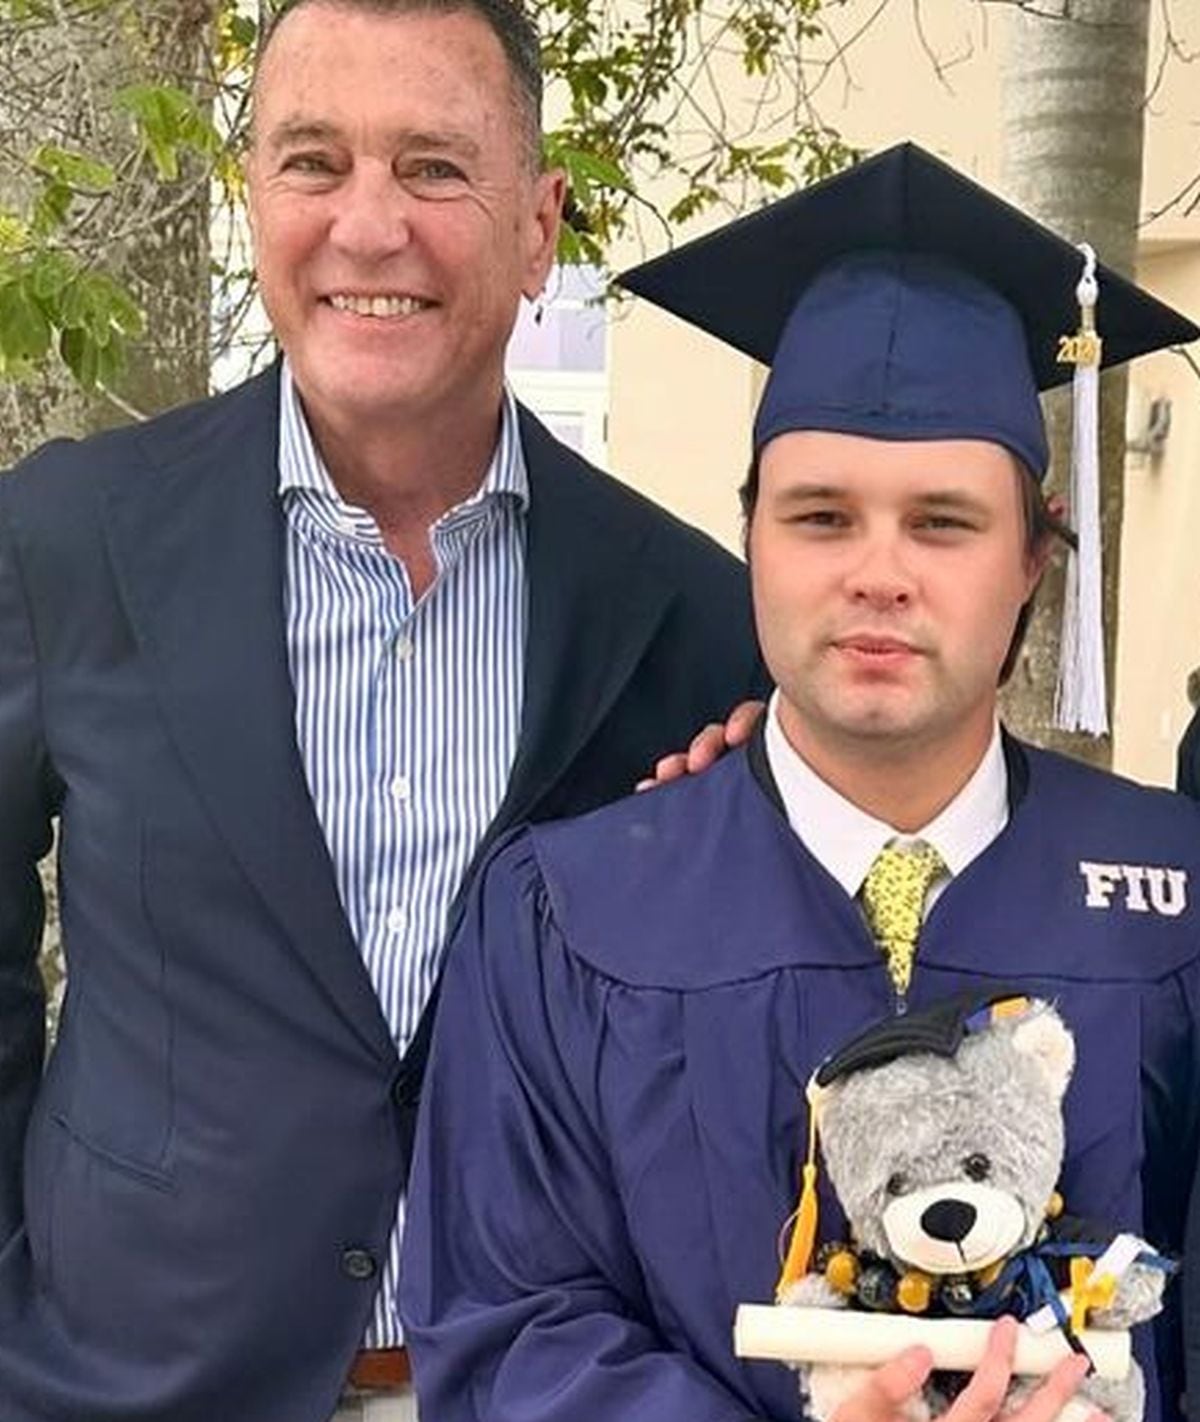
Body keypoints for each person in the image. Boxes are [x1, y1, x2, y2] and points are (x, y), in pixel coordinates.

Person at [0, 2, 765, 1419]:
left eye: (432, 167)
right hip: (135, 1384)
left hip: (545, 1385)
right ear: (252, 196)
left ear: (538, 227)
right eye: (313, 161)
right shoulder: (70, 541)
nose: (367, 226)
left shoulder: (694, 617)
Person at [400, 142, 1200, 1422]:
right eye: (821, 516)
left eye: (942, 522)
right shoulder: (568, 910)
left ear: (1032, 564)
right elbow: (510, 1333)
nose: (878, 574)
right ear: (752, 541)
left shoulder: (1178, 898)